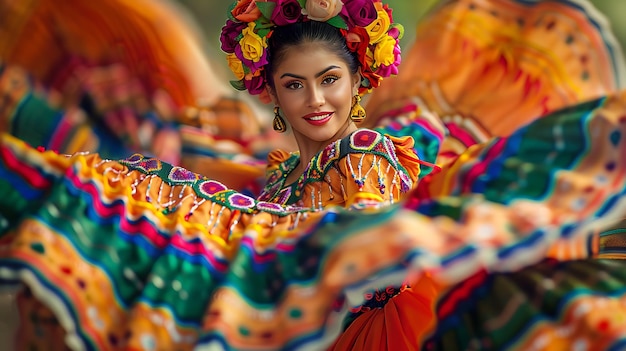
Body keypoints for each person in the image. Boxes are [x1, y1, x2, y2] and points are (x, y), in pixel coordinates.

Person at [0, 1, 626, 351]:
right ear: (273, 94)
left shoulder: (367, 155)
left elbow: (364, 242)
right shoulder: (267, 181)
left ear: (356, 85)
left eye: (329, 80)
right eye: (294, 85)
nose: (315, 101)